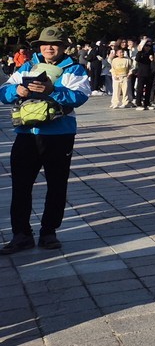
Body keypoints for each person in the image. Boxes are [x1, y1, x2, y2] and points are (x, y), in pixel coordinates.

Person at [0, 27, 91, 254]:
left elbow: (80, 97)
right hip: (27, 134)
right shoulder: (28, 67)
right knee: (21, 186)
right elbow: (3, 92)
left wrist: (53, 90)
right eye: (44, 44)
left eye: (55, 44)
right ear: (39, 46)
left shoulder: (74, 69)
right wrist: (16, 91)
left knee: (57, 185)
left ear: (63, 47)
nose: (49, 48)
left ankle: (49, 232)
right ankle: (21, 234)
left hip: (60, 135)